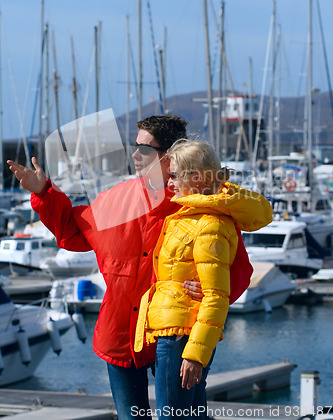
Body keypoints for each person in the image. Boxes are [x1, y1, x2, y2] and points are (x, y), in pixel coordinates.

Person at [7, 115, 271, 419]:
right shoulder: (115, 199)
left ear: (169, 156)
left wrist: (214, 290)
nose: (134, 155)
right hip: (120, 333)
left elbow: (239, 269)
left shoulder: (200, 204)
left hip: (176, 336)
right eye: (134, 147)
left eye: (144, 149)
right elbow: (73, 232)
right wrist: (44, 192)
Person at [134, 140, 273, 419]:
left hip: (181, 336)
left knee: (172, 416)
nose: (169, 181)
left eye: (174, 175)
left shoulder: (210, 224)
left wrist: (195, 355)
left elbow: (216, 296)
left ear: (196, 178)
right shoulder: (189, 215)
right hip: (176, 332)